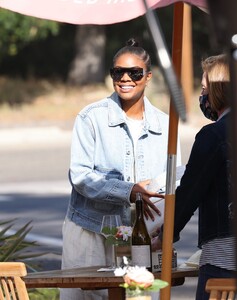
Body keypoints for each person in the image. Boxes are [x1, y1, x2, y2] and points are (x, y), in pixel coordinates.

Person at [60, 38, 181, 300]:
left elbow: (173, 183)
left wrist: (164, 231)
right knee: (87, 297)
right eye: (118, 72)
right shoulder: (91, 117)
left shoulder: (165, 125)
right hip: (90, 230)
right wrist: (128, 191)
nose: (125, 78)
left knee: (137, 296)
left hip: (138, 237)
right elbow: (80, 176)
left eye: (134, 73)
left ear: (148, 76)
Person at [152, 54, 236, 300]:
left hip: (225, 258)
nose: (203, 97)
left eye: (204, 89)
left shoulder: (214, 135)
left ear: (218, 91)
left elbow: (190, 191)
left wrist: (166, 233)